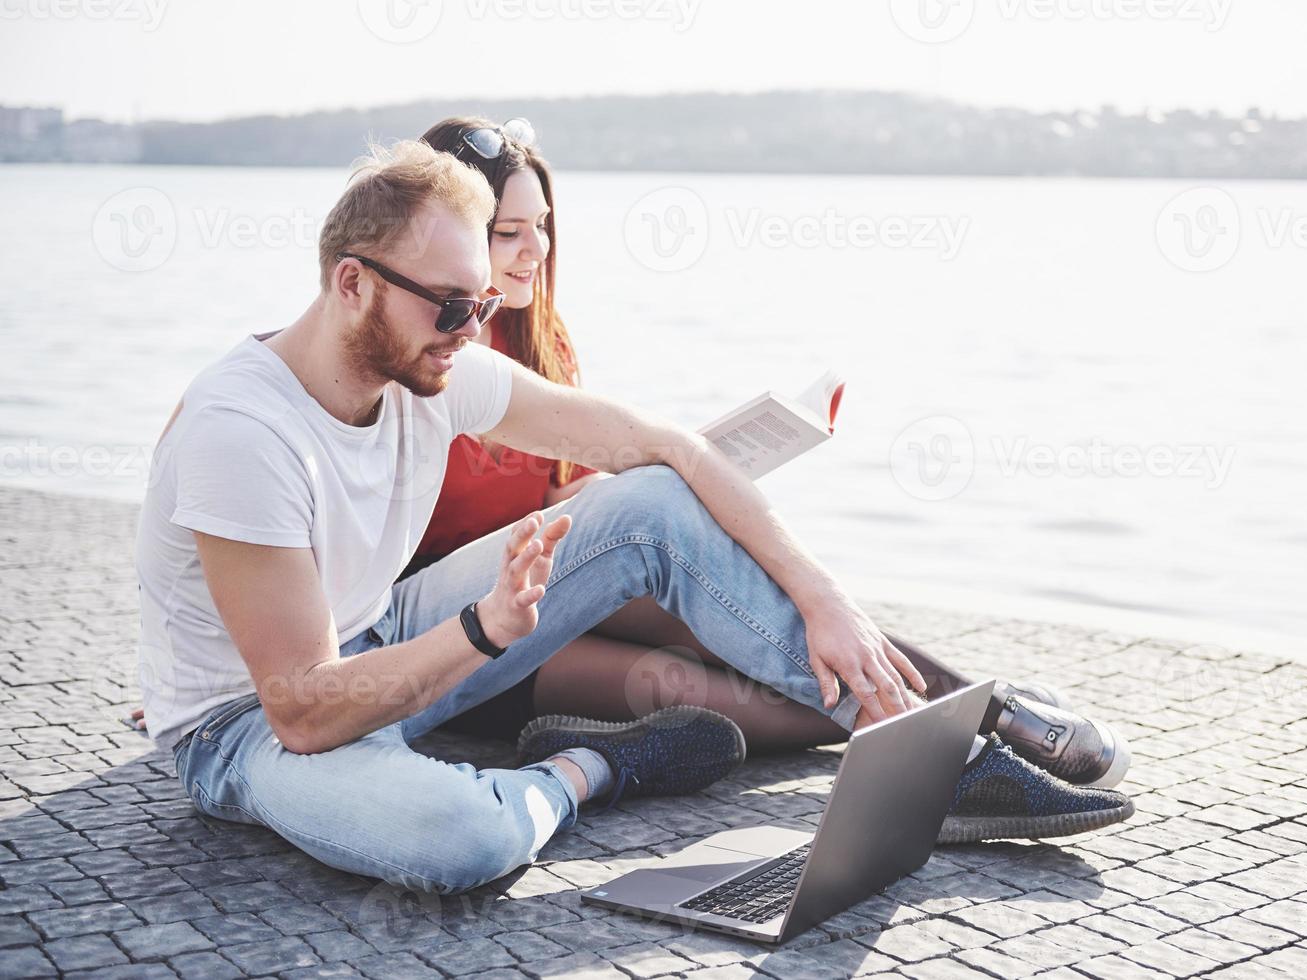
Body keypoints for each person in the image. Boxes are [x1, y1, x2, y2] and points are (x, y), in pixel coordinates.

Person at [140, 141, 1134, 896]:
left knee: (650, 506)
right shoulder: (244, 432)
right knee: (465, 841)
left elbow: (667, 447)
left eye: (481, 308)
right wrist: (485, 626)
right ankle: (597, 763)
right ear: (351, 282)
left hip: (385, 636)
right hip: (251, 732)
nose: (469, 331)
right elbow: (302, 707)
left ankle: (926, 750)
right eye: (449, 308)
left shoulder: (430, 362)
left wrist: (823, 597)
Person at [406, 117, 1134, 794]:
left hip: (566, 573)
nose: (536, 250)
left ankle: (989, 702)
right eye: (509, 234)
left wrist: (631, 488)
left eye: (542, 227)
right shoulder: (421, 354)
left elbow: (552, 494)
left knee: (755, 608)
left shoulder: (540, 338)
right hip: (475, 632)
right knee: (781, 709)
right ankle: (963, 727)